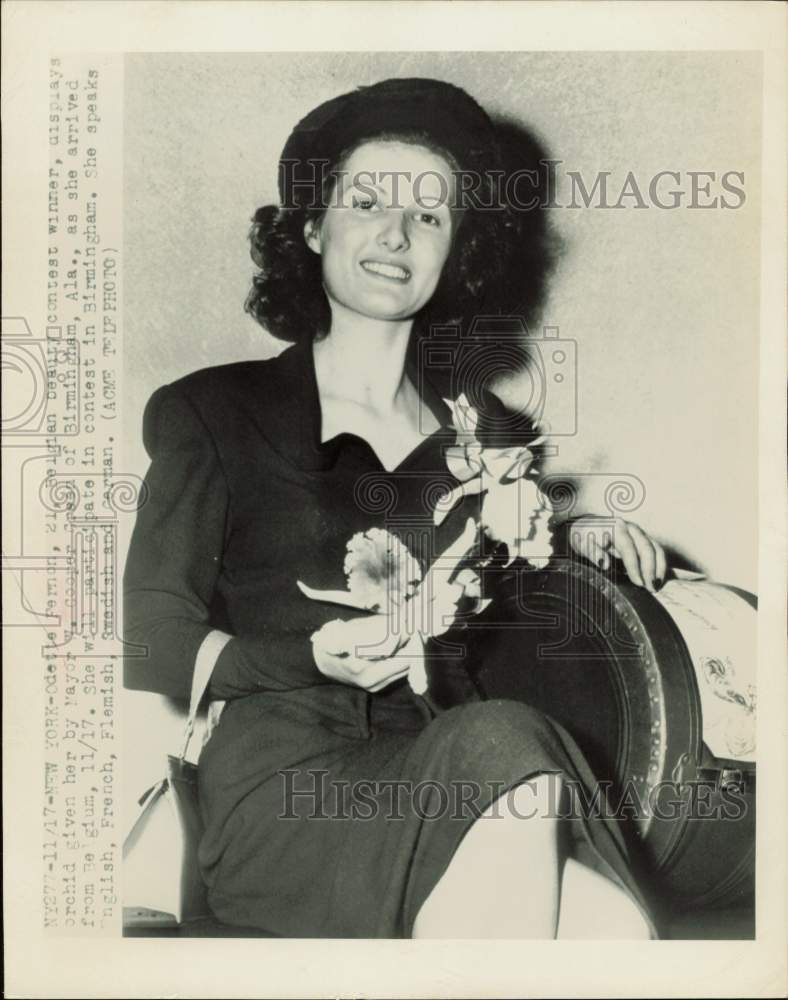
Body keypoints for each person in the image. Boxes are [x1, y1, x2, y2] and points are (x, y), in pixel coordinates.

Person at [123, 77, 666, 939]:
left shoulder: (486, 442)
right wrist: (312, 659)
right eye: (367, 201)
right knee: (505, 749)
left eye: (429, 215)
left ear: (457, 253)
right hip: (281, 789)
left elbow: (497, 610)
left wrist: (576, 543)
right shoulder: (213, 412)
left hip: (438, 766)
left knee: (619, 934)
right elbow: (148, 640)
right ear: (312, 227)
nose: (395, 234)